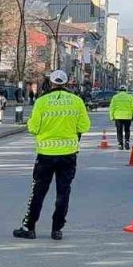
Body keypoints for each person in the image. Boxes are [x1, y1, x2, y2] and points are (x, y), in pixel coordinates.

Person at [13, 70, 90, 241]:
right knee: (63, 193)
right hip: (68, 154)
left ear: (51, 83)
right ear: (66, 83)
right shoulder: (77, 101)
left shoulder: (41, 101)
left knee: (38, 192)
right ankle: (57, 229)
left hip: (45, 155)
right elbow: (84, 126)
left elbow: (33, 128)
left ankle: (29, 227)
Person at [110, 85, 133, 150]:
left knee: (119, 131)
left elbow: (112, 108)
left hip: (118, 117)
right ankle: (127, 142)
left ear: (119, 90)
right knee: (127, 130)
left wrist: (111, 116)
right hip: (127, 116)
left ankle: (120, 144)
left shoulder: (115, 97)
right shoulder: (130, 97)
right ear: (126, 90)